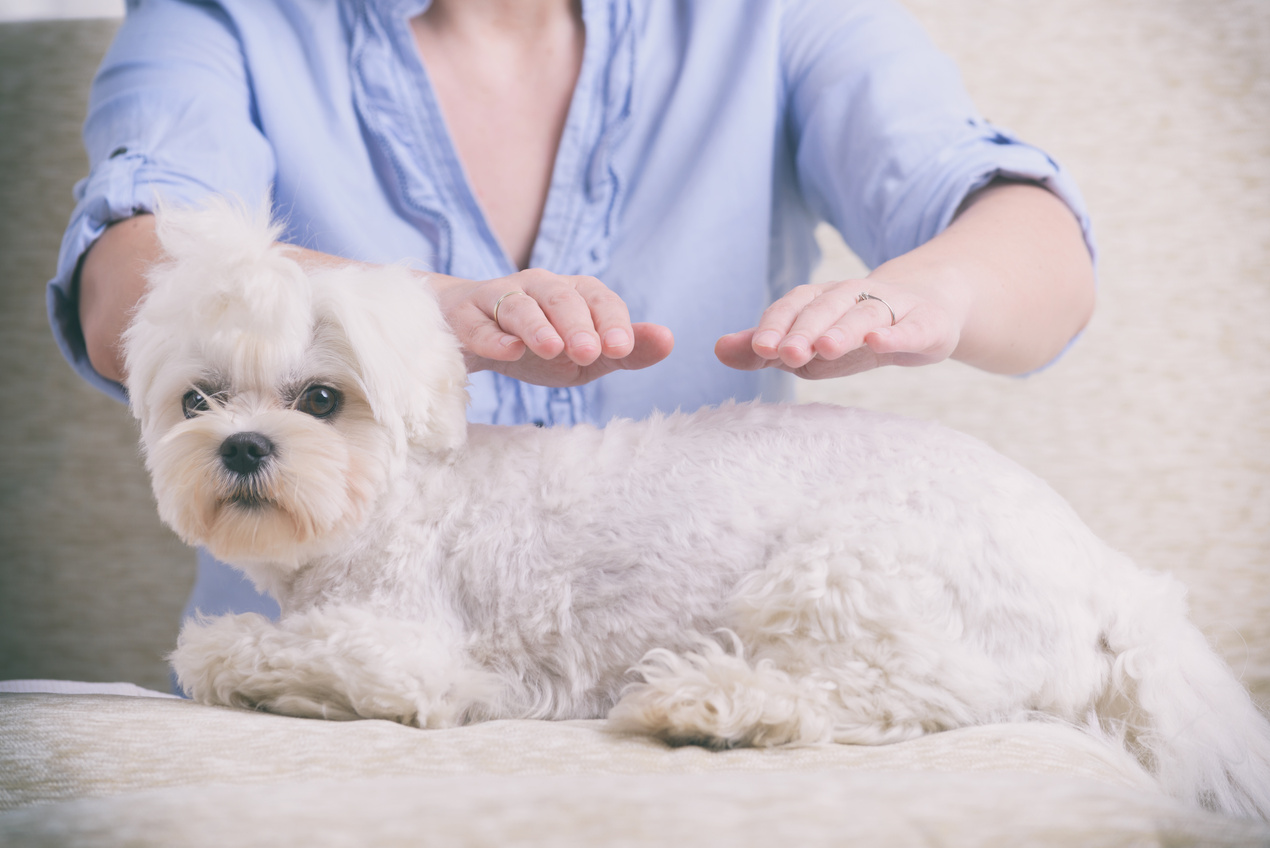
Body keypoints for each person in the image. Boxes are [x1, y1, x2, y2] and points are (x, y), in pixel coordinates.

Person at [49, 0, 1096, 626]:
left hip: (707, 687)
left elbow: (1038, 254)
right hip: (315, 707)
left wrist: (936, 292)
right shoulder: (216, 17)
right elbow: (124, 281)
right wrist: (429, 312)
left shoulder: (779, 17)